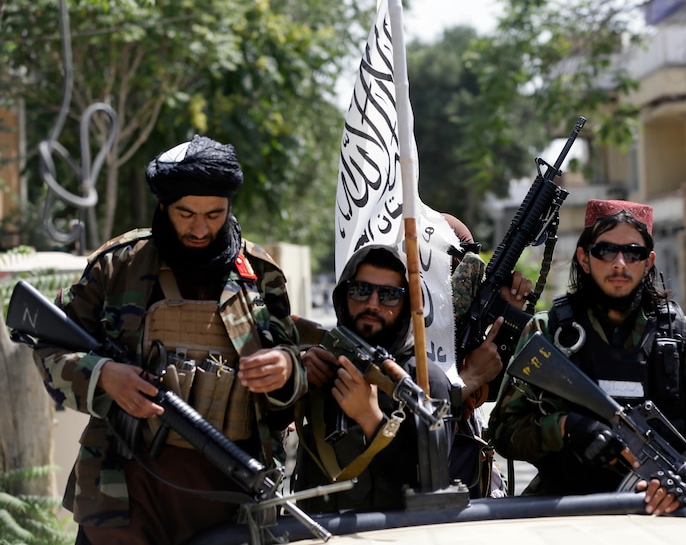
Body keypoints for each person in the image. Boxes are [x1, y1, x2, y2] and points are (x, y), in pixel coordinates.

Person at [32, 135, 306, 544]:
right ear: (164, 206)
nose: (200, 228)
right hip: (124, 495)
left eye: (215, 214)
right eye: (185, 213)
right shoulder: (117, 266)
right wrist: (103, 376)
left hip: (231, 498)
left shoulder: (260, 276)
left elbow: (295, 375)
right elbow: (49, 348)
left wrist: (285, 371)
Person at [489, 198, 686, 515]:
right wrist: (565, 427)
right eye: (605, 250)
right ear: (584, 258)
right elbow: (504, 431)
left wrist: (679, 481)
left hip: (656, 512)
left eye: (633, 253)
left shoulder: (681, 336)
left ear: (649, 261)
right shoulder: (549, 332)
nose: (620, 263)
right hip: (565, 511)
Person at [293, 244, 453, 513]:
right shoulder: (321, 362)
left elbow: (430, 486)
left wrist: (372, 420)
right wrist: (295, 371)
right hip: (317, 530)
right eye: (361, 290)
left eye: (389, 295)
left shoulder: (424, 381)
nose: (372, 304)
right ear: (344, 295)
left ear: (408, 306)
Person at [444, 212, 531, 498]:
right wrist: (469, 379)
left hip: (476, 483)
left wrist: (510, 319)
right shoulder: (402, 332)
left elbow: (511, 392)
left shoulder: (467, 336)